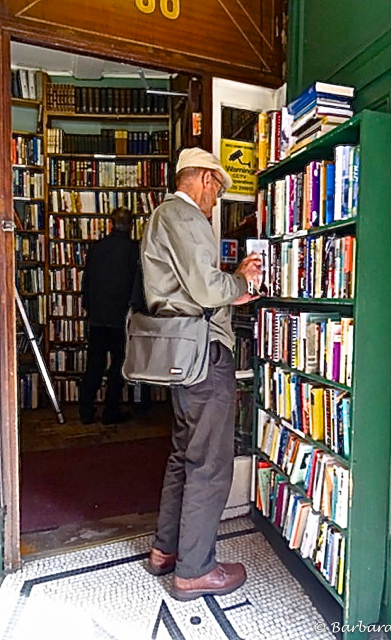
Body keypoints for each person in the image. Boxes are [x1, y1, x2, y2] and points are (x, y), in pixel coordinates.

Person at [142, 147, 262, 600]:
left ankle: (166, 551)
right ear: (206, 180)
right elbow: (208, 290)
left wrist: (229, 279)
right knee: (210, 463)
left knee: (184, 454)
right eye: (217, 190)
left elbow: (191, 286)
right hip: (204, 352)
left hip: (180, 353)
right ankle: (195, 570)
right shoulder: (189, 218)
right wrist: (243, 285)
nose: (215, 201)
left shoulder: (160, 216)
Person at [79, 206, 138, 425]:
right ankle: (110, 410)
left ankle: (86, 410)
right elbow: (137, 286)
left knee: (94, 363)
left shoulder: (97, 248)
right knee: (119, 364)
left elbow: (87, 282)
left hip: (97, 317)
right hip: (121, 318)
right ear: (130, 226)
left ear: (111, 224)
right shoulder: (134, 251)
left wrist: (89, 307)